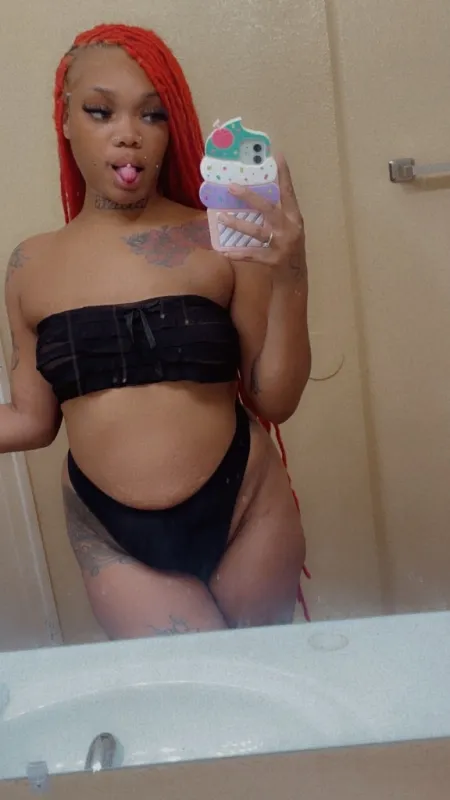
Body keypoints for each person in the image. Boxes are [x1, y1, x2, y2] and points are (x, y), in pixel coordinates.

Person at [2, 23, 311, 640]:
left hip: (246, 504)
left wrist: (293, 271)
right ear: (65, 121)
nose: (129, 133)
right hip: (112, 533)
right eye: (101, 111)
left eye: (152, 114)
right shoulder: (29, 265)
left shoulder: (217, 238)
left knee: (271, 683)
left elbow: (274, 399)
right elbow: (33, 421)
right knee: (192, 690)